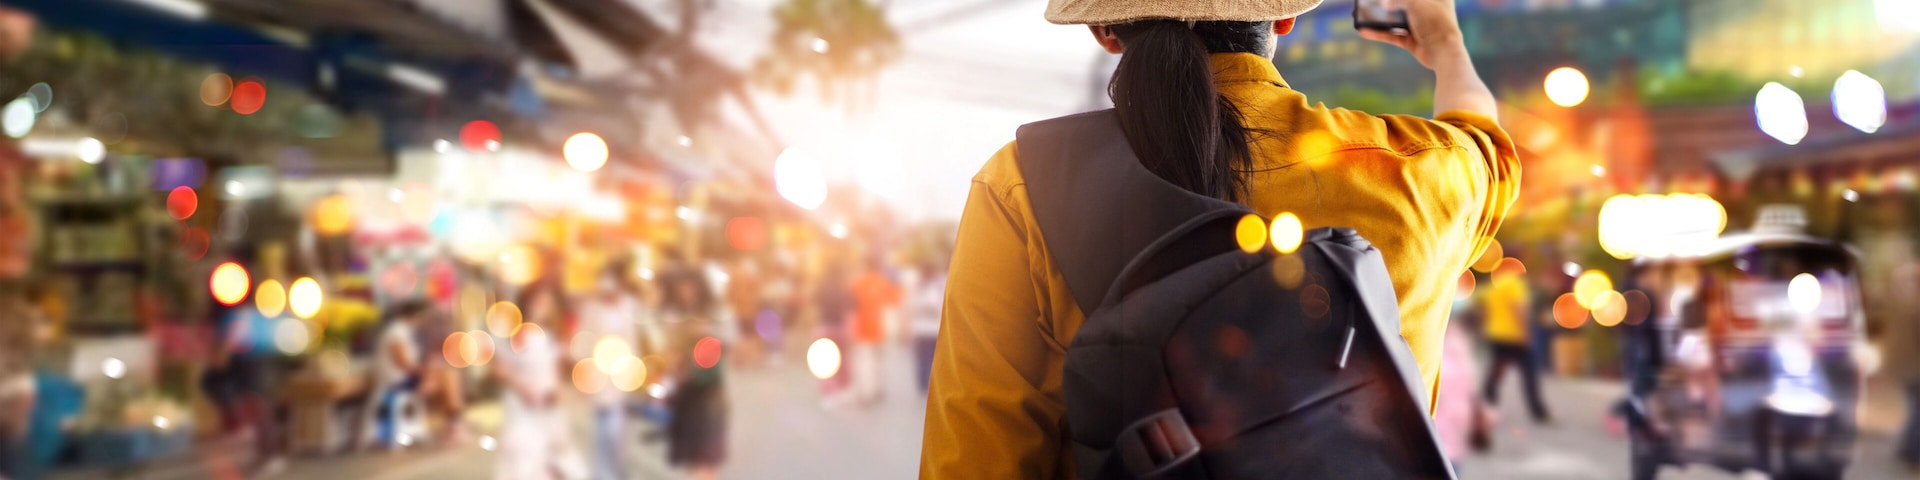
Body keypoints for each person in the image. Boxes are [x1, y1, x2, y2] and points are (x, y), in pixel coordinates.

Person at [919, 0, 1519, 475]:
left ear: (1104, 29)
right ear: (1281, 15)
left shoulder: (1022, 184)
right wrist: (1445, 45)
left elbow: (977, 459)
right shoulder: (1417, 172)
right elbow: (1487, 145)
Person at [490, 282, 569, 480]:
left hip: (548, 407)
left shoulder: (548, 335)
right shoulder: (519, 333)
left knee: (554, 463)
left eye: (548, 302)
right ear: (528, 303)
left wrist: (556, 396)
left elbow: (553, 371)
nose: (545, 306)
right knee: (526, 464)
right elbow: (500, 369)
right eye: (540, 301)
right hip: (524, 409)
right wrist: (523, 388)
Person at [659, 267, 727, 480]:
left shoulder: (712, 314)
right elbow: (667, 351)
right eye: (682, 287)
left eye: (690, 286)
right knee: (692, 453)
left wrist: (707, 334)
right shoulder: (673, 315)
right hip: (684, 388)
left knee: (706, 454)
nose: (686, 292)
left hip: (708, 388)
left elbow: (727, 343)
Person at [578, 265, 643, 480]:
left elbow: (637, 341)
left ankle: (616, 470)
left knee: (616, 430)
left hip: (622, 376)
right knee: (601, 430)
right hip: (598, 376)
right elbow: (583, 342)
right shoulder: (592, 309)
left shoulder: (630, 307)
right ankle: (603, 474)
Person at [1480, 267, 1552, 424]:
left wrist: (1486, 327)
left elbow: (1485, 307)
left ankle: (1487, 406)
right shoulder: (1515, 285)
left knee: (1496, 373)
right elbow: (1519, 309)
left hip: (1497, 333)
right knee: (1529, 374)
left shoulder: (1495, 284)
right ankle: (1538, 411)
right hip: (1515, 336)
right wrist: (1526, 333)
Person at [369, 299, 430, 448]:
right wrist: (424, 371)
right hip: (396, 381)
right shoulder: (397, 332)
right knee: (443, 374)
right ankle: (453, 419)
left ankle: (453, 418)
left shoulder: (403, 331)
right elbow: (402, 362)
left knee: (442, 372)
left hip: (402, 378)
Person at [848, 256, 901, 405]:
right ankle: (877, 388)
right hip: (878, 327)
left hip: (862, 327)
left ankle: (867, 391)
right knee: (877, 360)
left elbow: (850, 306)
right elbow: (895, 300)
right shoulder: (882, 282)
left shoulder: (857, 283)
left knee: (865, 361)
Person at [909, 262, 947, 393]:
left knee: (926, 357)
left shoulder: (931, 287)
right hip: (925, 329)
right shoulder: (927, 288)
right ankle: (925, 383)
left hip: (927, 329)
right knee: (925, 357)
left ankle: (926, 382)